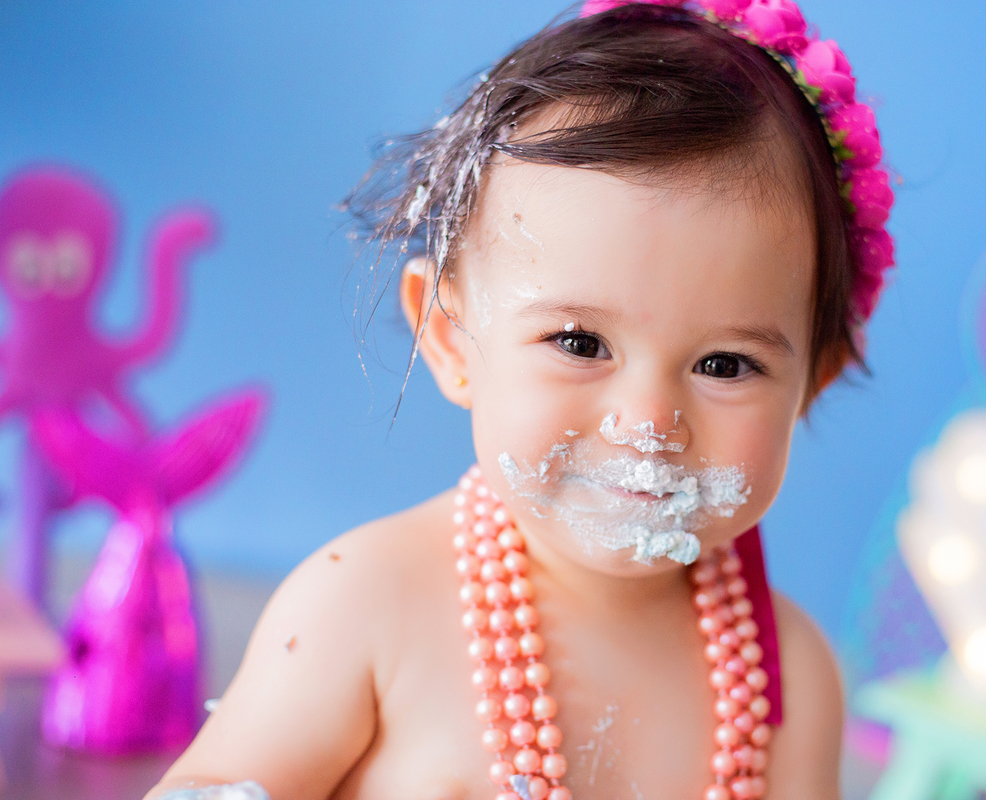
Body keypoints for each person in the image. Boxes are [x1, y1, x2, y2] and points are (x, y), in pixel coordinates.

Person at [147, 0, 894, 798]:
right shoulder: (364, 604)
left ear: (811, 383)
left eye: (724, 364)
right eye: (579, 343)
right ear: (449, 339)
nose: (647, 425)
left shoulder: (793, 681)